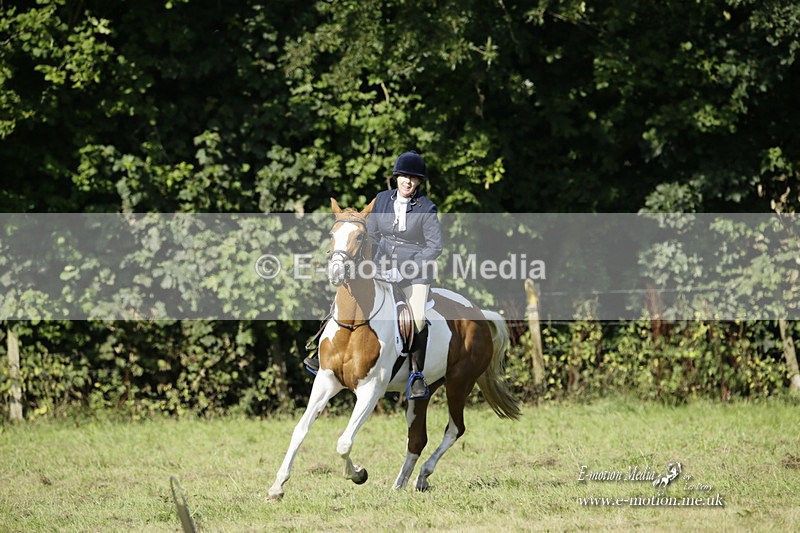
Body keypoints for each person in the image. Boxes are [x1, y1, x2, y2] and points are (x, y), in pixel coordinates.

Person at [304, 150, 443, 400]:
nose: (408, 182)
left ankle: (416, 374)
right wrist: (374, 264)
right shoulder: (381, 200)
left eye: (413, 178)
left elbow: (434, 247)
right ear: (397, 177)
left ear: (419, 182)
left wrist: (404, 270)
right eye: (404, 177)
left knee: (418, 318)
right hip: (380, 267)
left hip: (414, 275)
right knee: (346, 299)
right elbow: (374, 236)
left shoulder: (426, 208)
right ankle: (320, 352)